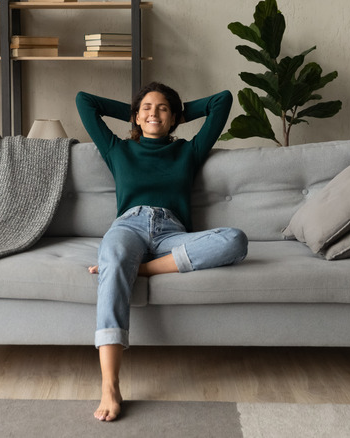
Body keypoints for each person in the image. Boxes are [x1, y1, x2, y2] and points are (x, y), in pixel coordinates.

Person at [75, 82, 248, 421]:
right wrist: (138, 106)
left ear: (174, 120)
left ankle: (138, 269)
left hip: (173, 233)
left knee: (235, 240)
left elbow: (222, 101)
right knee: (113, 256)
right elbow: (85, 100)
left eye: (163, 109)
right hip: (128, 226)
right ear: (136, 118)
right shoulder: (117, 149)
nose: (154, 112)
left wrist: (178, 110)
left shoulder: (189, 150)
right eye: (146, 109)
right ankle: (110, 385)